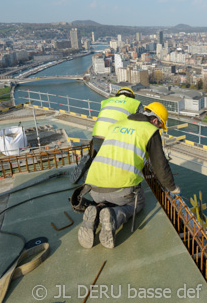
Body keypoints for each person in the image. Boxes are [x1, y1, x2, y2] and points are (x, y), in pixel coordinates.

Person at [78, 102, 180, 249]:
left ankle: (96, 210)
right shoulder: (150, 130)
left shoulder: (118, 124)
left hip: (93, 188)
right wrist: (172, 187)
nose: (158, 129)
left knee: (109, 197)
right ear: (155, 120)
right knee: (137, 203)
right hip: (121, 191)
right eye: (159, 125)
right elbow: (160, 166)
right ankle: (114, 216)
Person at [70, 87, 143, 184]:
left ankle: (89, 169)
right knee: (117, 162)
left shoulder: (106, 101)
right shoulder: (136, 103)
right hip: (113, 137)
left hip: (97, 135)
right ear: (132, 96)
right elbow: (142, 123)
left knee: (99, 157)